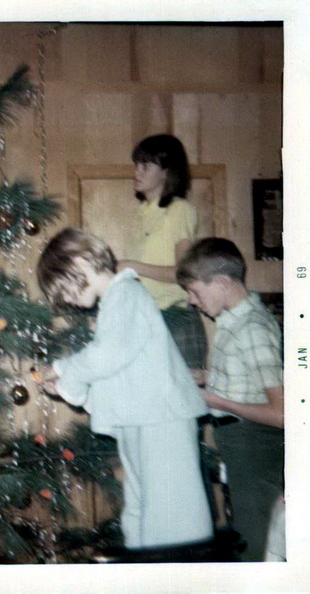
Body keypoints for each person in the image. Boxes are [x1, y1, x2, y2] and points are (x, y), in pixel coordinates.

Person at [37, 227, 213, 549]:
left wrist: (63, 368)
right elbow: (116, 379)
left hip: (163, 419)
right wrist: (67, 386)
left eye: (64, 288)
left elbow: (108, 355)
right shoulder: (114, 302)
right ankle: (146, 569)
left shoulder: (126, 293)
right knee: (142, 510)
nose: (66, 300)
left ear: (81, 262)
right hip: (143, 419)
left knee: (173, 517)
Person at [176, 237, 284, 561]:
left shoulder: (252, 329)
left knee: (255, 541)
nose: (192, 301)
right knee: (242, 531)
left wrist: (217, 400)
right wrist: (206, 376)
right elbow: (247, 377)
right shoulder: (232, 321)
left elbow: (284, 413)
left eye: (196, 291)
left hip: (255, 445)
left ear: (222, 283)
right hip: (237, 443)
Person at [118, 134, 207, 370]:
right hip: (146, 319)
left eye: (145, 165)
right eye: (136, 165)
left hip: (176, 319)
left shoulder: (179, 210)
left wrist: (132, 266)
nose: (137, 171)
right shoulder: (140, 214)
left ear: (167, 171)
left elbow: (185, 273)